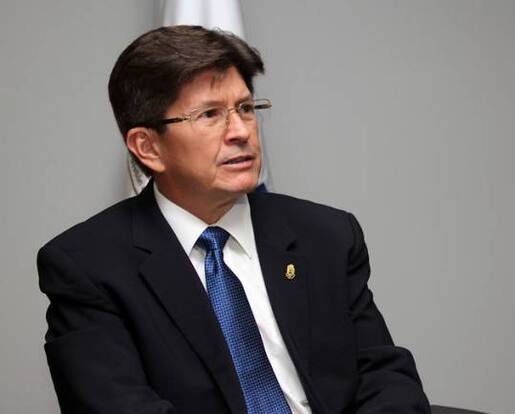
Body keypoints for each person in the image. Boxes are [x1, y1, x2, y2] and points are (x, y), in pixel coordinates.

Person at [37, 25, 430, 414]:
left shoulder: (326, 235)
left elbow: (385, 377)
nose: (241, 131)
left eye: (245, 108)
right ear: (148, 146)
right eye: (210, 114)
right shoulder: (88, 267)